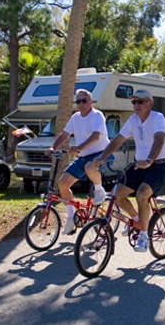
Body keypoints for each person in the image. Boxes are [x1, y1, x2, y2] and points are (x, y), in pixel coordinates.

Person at [92, 89, 165, 253]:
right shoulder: (133, 120)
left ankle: (144, 235)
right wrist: (101, 157)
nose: (136, 105)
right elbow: (117, 140)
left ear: (150, 103)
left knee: (142, 194)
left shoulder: (157, 118)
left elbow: (159, 139)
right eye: (134, 102)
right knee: (116, 195)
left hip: (159, 166)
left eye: (140, 101)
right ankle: (137, 220)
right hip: (138, 165)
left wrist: (149, 160)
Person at [45, 89, 110, 235]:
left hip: (101, 154)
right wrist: (53, 147)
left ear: (90, 102)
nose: (81, 104)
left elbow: (95, 136)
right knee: (62, 183)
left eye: (84, 101)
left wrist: (79, 147)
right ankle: (71, 218)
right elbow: (65, 134)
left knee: (89, 166)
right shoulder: (75, 117)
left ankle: (99, 189)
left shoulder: (97, 115)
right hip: (83, 156)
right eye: (78, 101)